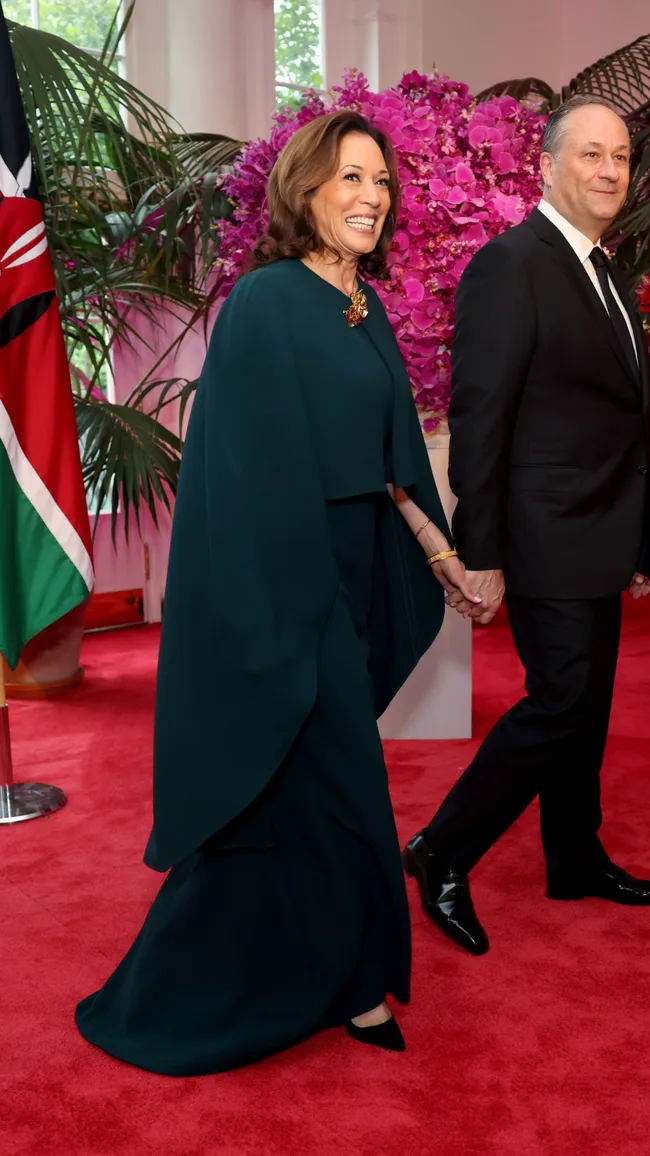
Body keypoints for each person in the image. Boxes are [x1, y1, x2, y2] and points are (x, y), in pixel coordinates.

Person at [75, 110, 477, 1073]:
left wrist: (441, 555)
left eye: (381, 181)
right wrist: (287, 615)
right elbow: (249, 474)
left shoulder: (365, 307)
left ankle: (310, 966)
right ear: (304, 190)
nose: (371, 197)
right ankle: (352, 983)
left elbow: (392, 465)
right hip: (281, 578)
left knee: (290, 795)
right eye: (350, 178)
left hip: (352, 565)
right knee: (349, 782)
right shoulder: (263, 300)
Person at [404, 94, 650, 957]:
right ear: (545, 167)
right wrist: (484, 551)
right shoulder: (512, 264)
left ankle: (574, 856)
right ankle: (441, 847)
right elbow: (482, 416)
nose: (610, 170)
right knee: (557, 706)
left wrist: (638, 540)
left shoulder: (603, 270)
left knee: (585, 713)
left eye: (620, 155)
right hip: (543, 534)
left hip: (600, 536)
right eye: (590, 154)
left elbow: (623, 418)